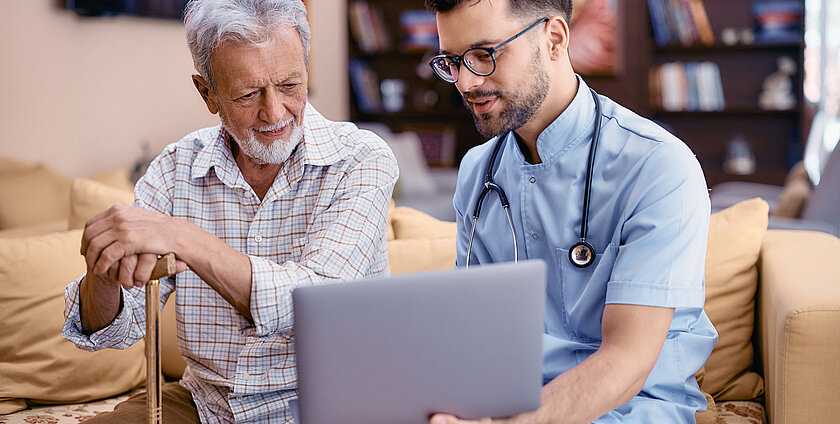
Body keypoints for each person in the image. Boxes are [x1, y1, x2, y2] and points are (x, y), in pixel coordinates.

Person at [61, 0, 398, 422]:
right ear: (208, 93)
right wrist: (101, 273)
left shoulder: (360, 160)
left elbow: (316, 302)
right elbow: (115, 329)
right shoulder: (174, 168)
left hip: (328, 405)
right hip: (208, 404)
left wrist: (183, 237)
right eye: (247, 94)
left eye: (291, 86)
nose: (274, 113)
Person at [424, 0, 717, 423]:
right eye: (453, 62)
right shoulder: (478, 171)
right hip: (511, 402)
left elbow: (626, 361)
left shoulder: (658, 166)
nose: (467, 82)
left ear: (555, 38)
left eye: (484, 55)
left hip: (633, 409)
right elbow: (479, 336)